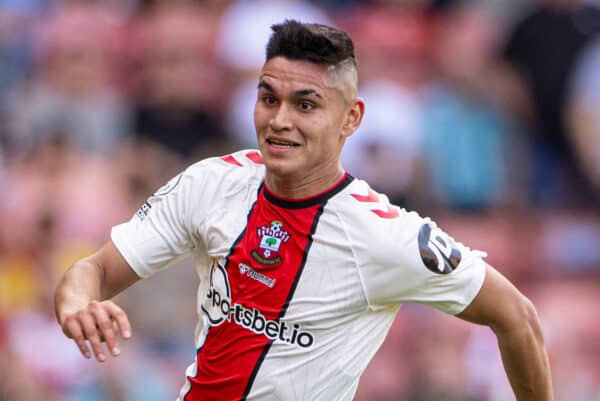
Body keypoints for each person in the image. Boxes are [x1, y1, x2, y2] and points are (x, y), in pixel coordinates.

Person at [54, 20, 553, 401]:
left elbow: (519, 319)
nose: (279, 121)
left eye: (306, 105)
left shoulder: (386, 236)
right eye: (268, 98)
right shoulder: (211, 183)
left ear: (350, 118)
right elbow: (92, 270)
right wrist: (78, 301)